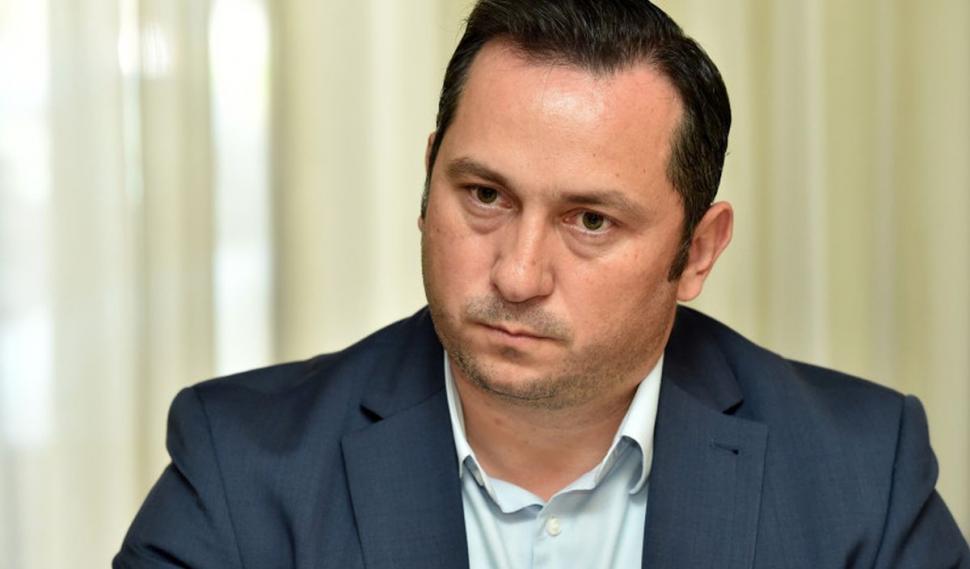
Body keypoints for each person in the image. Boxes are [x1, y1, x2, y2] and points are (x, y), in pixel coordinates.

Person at [114, 1, 969, 567]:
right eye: (485, 196)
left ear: (698, 252)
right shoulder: (240, 466)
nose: (517, 275)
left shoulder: (863, 475)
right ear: (428, 180)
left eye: (590, 219)